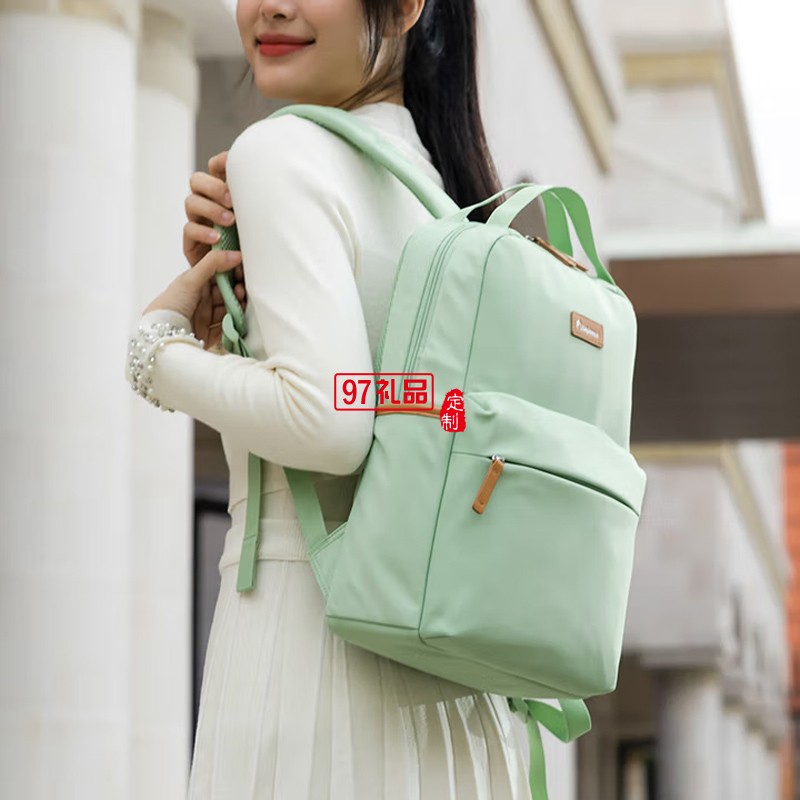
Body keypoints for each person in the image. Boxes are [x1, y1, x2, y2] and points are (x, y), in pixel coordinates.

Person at [125, 0, 533, 796]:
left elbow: (329, 421)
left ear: (406, 7)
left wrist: (157, 353)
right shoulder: (449, 198)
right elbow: (392, 404)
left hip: (311, 647)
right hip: (451, 687)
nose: (272, 7)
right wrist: (239, 327)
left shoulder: (282, 152)